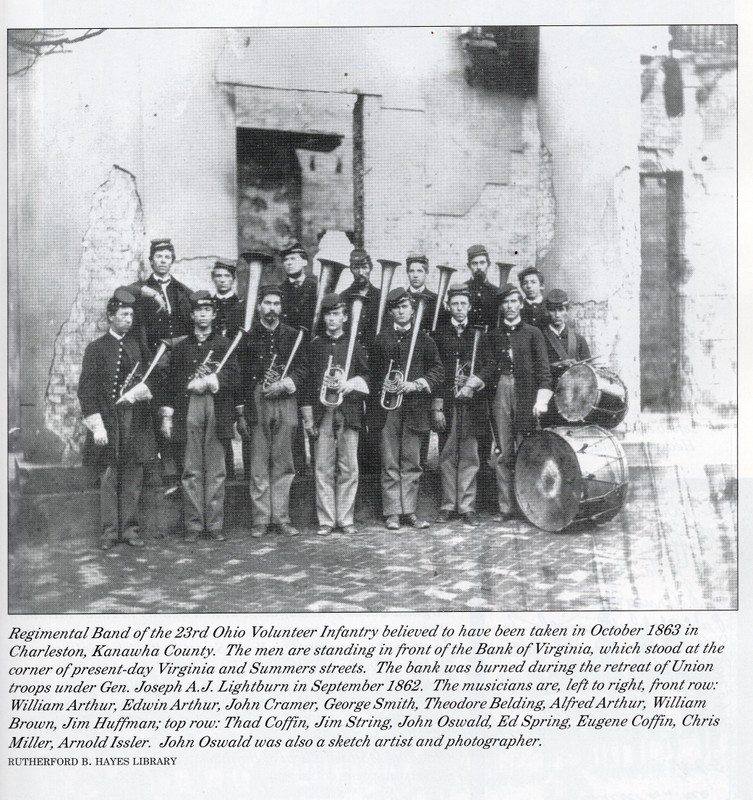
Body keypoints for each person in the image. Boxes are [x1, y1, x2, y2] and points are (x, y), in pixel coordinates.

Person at [78, 288, 157, 550]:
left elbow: (152, 378)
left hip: (135, 421)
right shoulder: (96, 348)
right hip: (109, 422)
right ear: (111, 316)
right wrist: (96, 424)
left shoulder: (139, 346)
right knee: (110, 477)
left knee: (133, 477)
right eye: (124, 314)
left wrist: (142, 392)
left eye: (131, 314)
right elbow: (86, 391)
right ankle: (110, 532)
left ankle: (130, 530)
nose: (129, 319)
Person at [159, 291, 238, 543]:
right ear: (192, 315)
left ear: (214, 314)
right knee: (192, 468)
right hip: (189, 408)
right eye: (198, 311)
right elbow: (171, 383)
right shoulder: (181, 348)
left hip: (216, 406)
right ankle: (194, 525)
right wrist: (170, 412)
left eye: (208, 310)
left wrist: (212, 380)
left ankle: (215, 524)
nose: (203, 315)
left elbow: (235, 375)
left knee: (215, 469)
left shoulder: (225, 345)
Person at [235, 285, 307, 538]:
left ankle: (282, 518)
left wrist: (286, 383)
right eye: (267, 303)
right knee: (258, 463)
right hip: (258, 400)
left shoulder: (292, 334)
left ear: (281, 307)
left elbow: (302, 368)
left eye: (276, 304)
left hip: (285, 398)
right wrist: (241, 411)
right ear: (258, 306)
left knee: (283, 462)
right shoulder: (247, 336)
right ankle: (261, 519)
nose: (272, 308)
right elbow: (241, 376)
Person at [372, 287, 444, 530]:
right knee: (390, 460)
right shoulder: (382, 339)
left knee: (412, 461)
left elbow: (438, 370)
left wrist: (416, 384)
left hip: (415, 408)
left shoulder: (425, 340)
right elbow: (371, 371)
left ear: (413, 311)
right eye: (396, 308)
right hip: (389, 408)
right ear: (391, 311)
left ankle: (409, 510)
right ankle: (392, 512)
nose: (401, 311)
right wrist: (383, 380)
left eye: (405, 307)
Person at [301, 293, 370, 536]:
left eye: (337, 314)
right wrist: (308, 416)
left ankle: (346, 518)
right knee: (323, 467)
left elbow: (368, 376)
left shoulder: (355, 344)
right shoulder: (316, 345)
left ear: (344, 317)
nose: (332, 319)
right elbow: (307, 383)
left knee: (349, 467)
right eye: (328, 315)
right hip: (322, 412)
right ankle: (327, 519)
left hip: (348, 410)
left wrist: (350, 383)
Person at [486, 283, 552, 521]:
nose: (510, 306)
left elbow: (544, 371)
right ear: (501, 307)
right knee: (504, 452)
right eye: (505, 302)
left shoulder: (533, 333)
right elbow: (489, 368)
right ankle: (506, 507)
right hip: (501, 390)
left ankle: (529, 505)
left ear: (521, 305)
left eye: (514, 301)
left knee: (527, 450)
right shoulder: (493, 336)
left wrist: (541, 399)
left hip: (527, 392)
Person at [432, 285, 492, 525]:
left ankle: (467, 506)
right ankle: (448, 504)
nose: (459, 308)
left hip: (472, 402)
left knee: (470, 455)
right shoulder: (439, 334)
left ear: (469, 307)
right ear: (448, 306)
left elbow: (489, 365)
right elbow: (434, 371)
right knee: (447, 454)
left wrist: (473, 382)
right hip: (447, 402)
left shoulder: (480, 334)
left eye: (463, 304)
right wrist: (436, 407)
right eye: (455, 304)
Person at [341, 248, 382, 475]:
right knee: (354, 415)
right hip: (353, 365)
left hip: (375, 363)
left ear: (370, 268)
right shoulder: (344, 297)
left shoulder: (380, 296)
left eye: (364, 267)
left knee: (375, 416)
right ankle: (357, 467)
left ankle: (374, 469)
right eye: (356, 268)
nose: (360, 272)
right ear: (350, 269)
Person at [130, 238, 194, 355]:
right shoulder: (142, 287)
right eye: (159, 256)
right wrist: (148, 292)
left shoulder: (183, 290)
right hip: (153, 353)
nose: (163, 261)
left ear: (172, 261)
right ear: (151, 261)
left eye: (167, 257)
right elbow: (120, 292)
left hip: (181, 353)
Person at [541, 288, 592, 378]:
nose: (557, 315)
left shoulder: (579, 339)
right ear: (547, 312)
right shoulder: (540, 338)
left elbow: (589, 370)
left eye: (561, 310)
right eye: (553, 310)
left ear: (567, 311)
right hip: (549, 388)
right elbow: (536, 368)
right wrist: (558, 364)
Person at [279, 241, 318, 332]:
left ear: (305, 262)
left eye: (293, 259)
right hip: (287, 342)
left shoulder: (316, 289)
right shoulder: (279, 291)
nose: (289, 263)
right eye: (285, 259)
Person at [465, 244, 500, 330]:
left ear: (488, 264)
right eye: (474, 263)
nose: (479, 267)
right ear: (469, 266)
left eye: (482, 263)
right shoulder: (463, 290)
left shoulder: (496, 292)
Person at [211, 259, 244, 340]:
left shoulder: (242, 305)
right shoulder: (209, 305)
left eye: (227, 276)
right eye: (218, 276)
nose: (222, 280)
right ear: (213, 278)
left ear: (233, 279)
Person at [404, 253, 438, 332]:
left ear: (426, 273)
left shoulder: (435, 300)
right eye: (411, 271)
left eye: (419, 271)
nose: (415, 275)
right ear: (407, 273)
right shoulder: (401, 298)